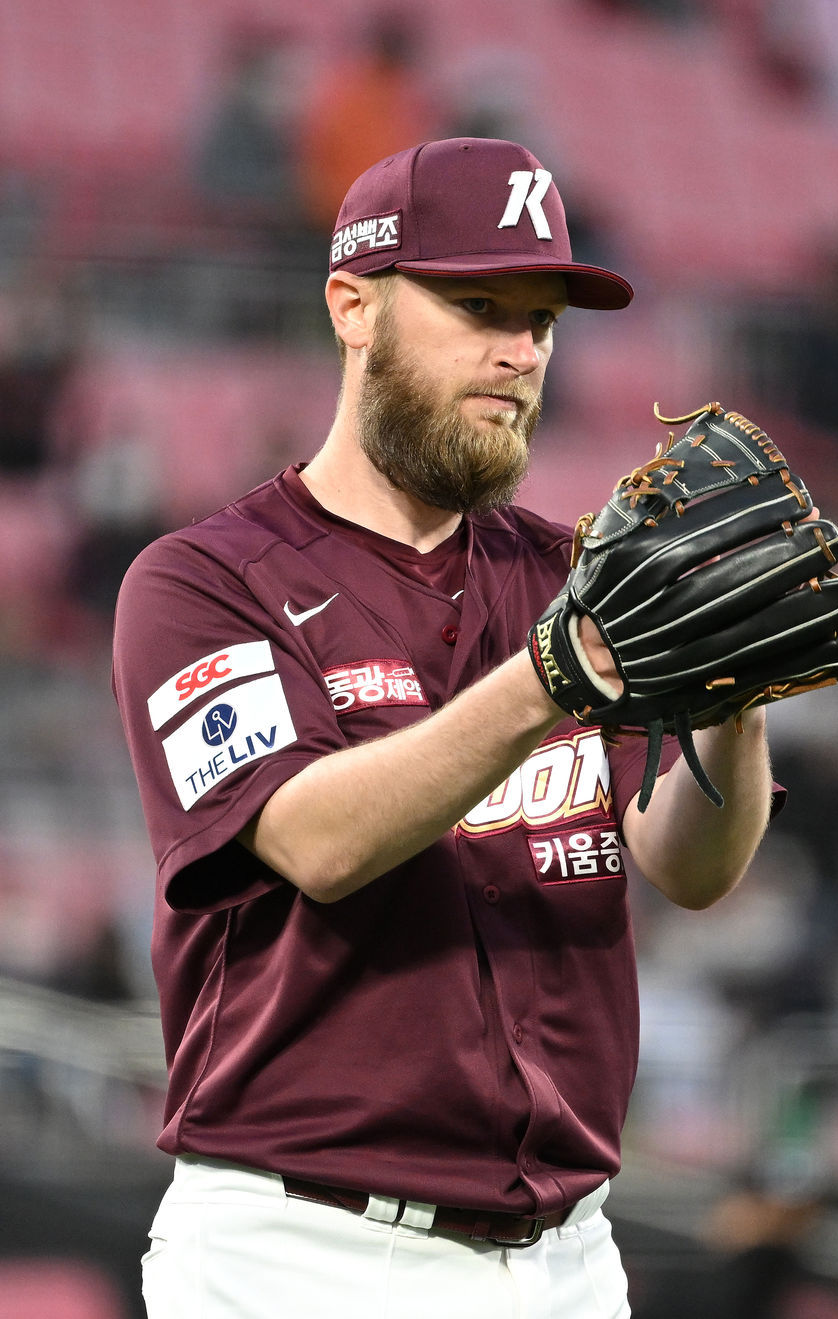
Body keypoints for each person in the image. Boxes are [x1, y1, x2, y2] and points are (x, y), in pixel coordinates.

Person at [112, 137, 777, 1319]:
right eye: (477, 305)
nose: (519, 351)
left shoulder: (574, 573)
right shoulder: (205, 579)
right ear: (353, 307)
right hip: (300, 1250)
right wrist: (549, 680)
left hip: (568, 1253)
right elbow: (315, 840)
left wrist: (735, 705)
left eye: (541, 319)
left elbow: (688, 865)